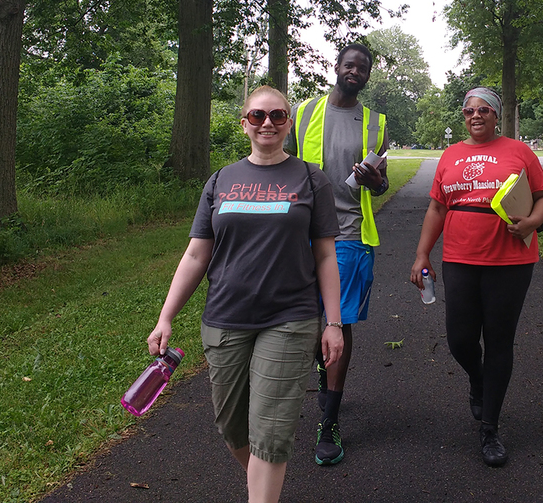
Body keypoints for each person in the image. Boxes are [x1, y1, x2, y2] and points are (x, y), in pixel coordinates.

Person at [147, 85, 343, 503]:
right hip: (225, 318)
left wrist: (334, 322)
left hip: (290, 318)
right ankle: (262, 488)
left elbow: (326, 256)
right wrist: (165, 317)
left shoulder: (311, 179)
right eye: (257, 116)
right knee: (233, 428)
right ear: (244, 124)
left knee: (270, 433)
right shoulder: (221, 180)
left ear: (288, 123)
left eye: (277, 115)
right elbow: (197, 254)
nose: (267, 123)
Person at [409, 87, 543, 468]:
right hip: (460, 258)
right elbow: (437, 208)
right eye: (469, 110)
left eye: (484, 110)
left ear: (496, 115)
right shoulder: (451, 155)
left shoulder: (519, 152)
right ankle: (478, 378)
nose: (476, 115)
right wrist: (422, 253)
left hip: (510, 260)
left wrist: (533, 223)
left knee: (499, 340)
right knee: (459, 339)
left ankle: (489, 428)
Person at [287, 42, 389, 465]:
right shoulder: (303, 112)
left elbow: (382, 184)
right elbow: (281, 164)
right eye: (349, 64)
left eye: (362, 68)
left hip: (348, 235)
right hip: (298, 235)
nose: (355, 71)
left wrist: (375, 182)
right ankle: (325, 376)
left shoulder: (375, 123)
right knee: (306, 323)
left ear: (367, 75)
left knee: (338, 322)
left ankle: (328, 422)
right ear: (336, 67)